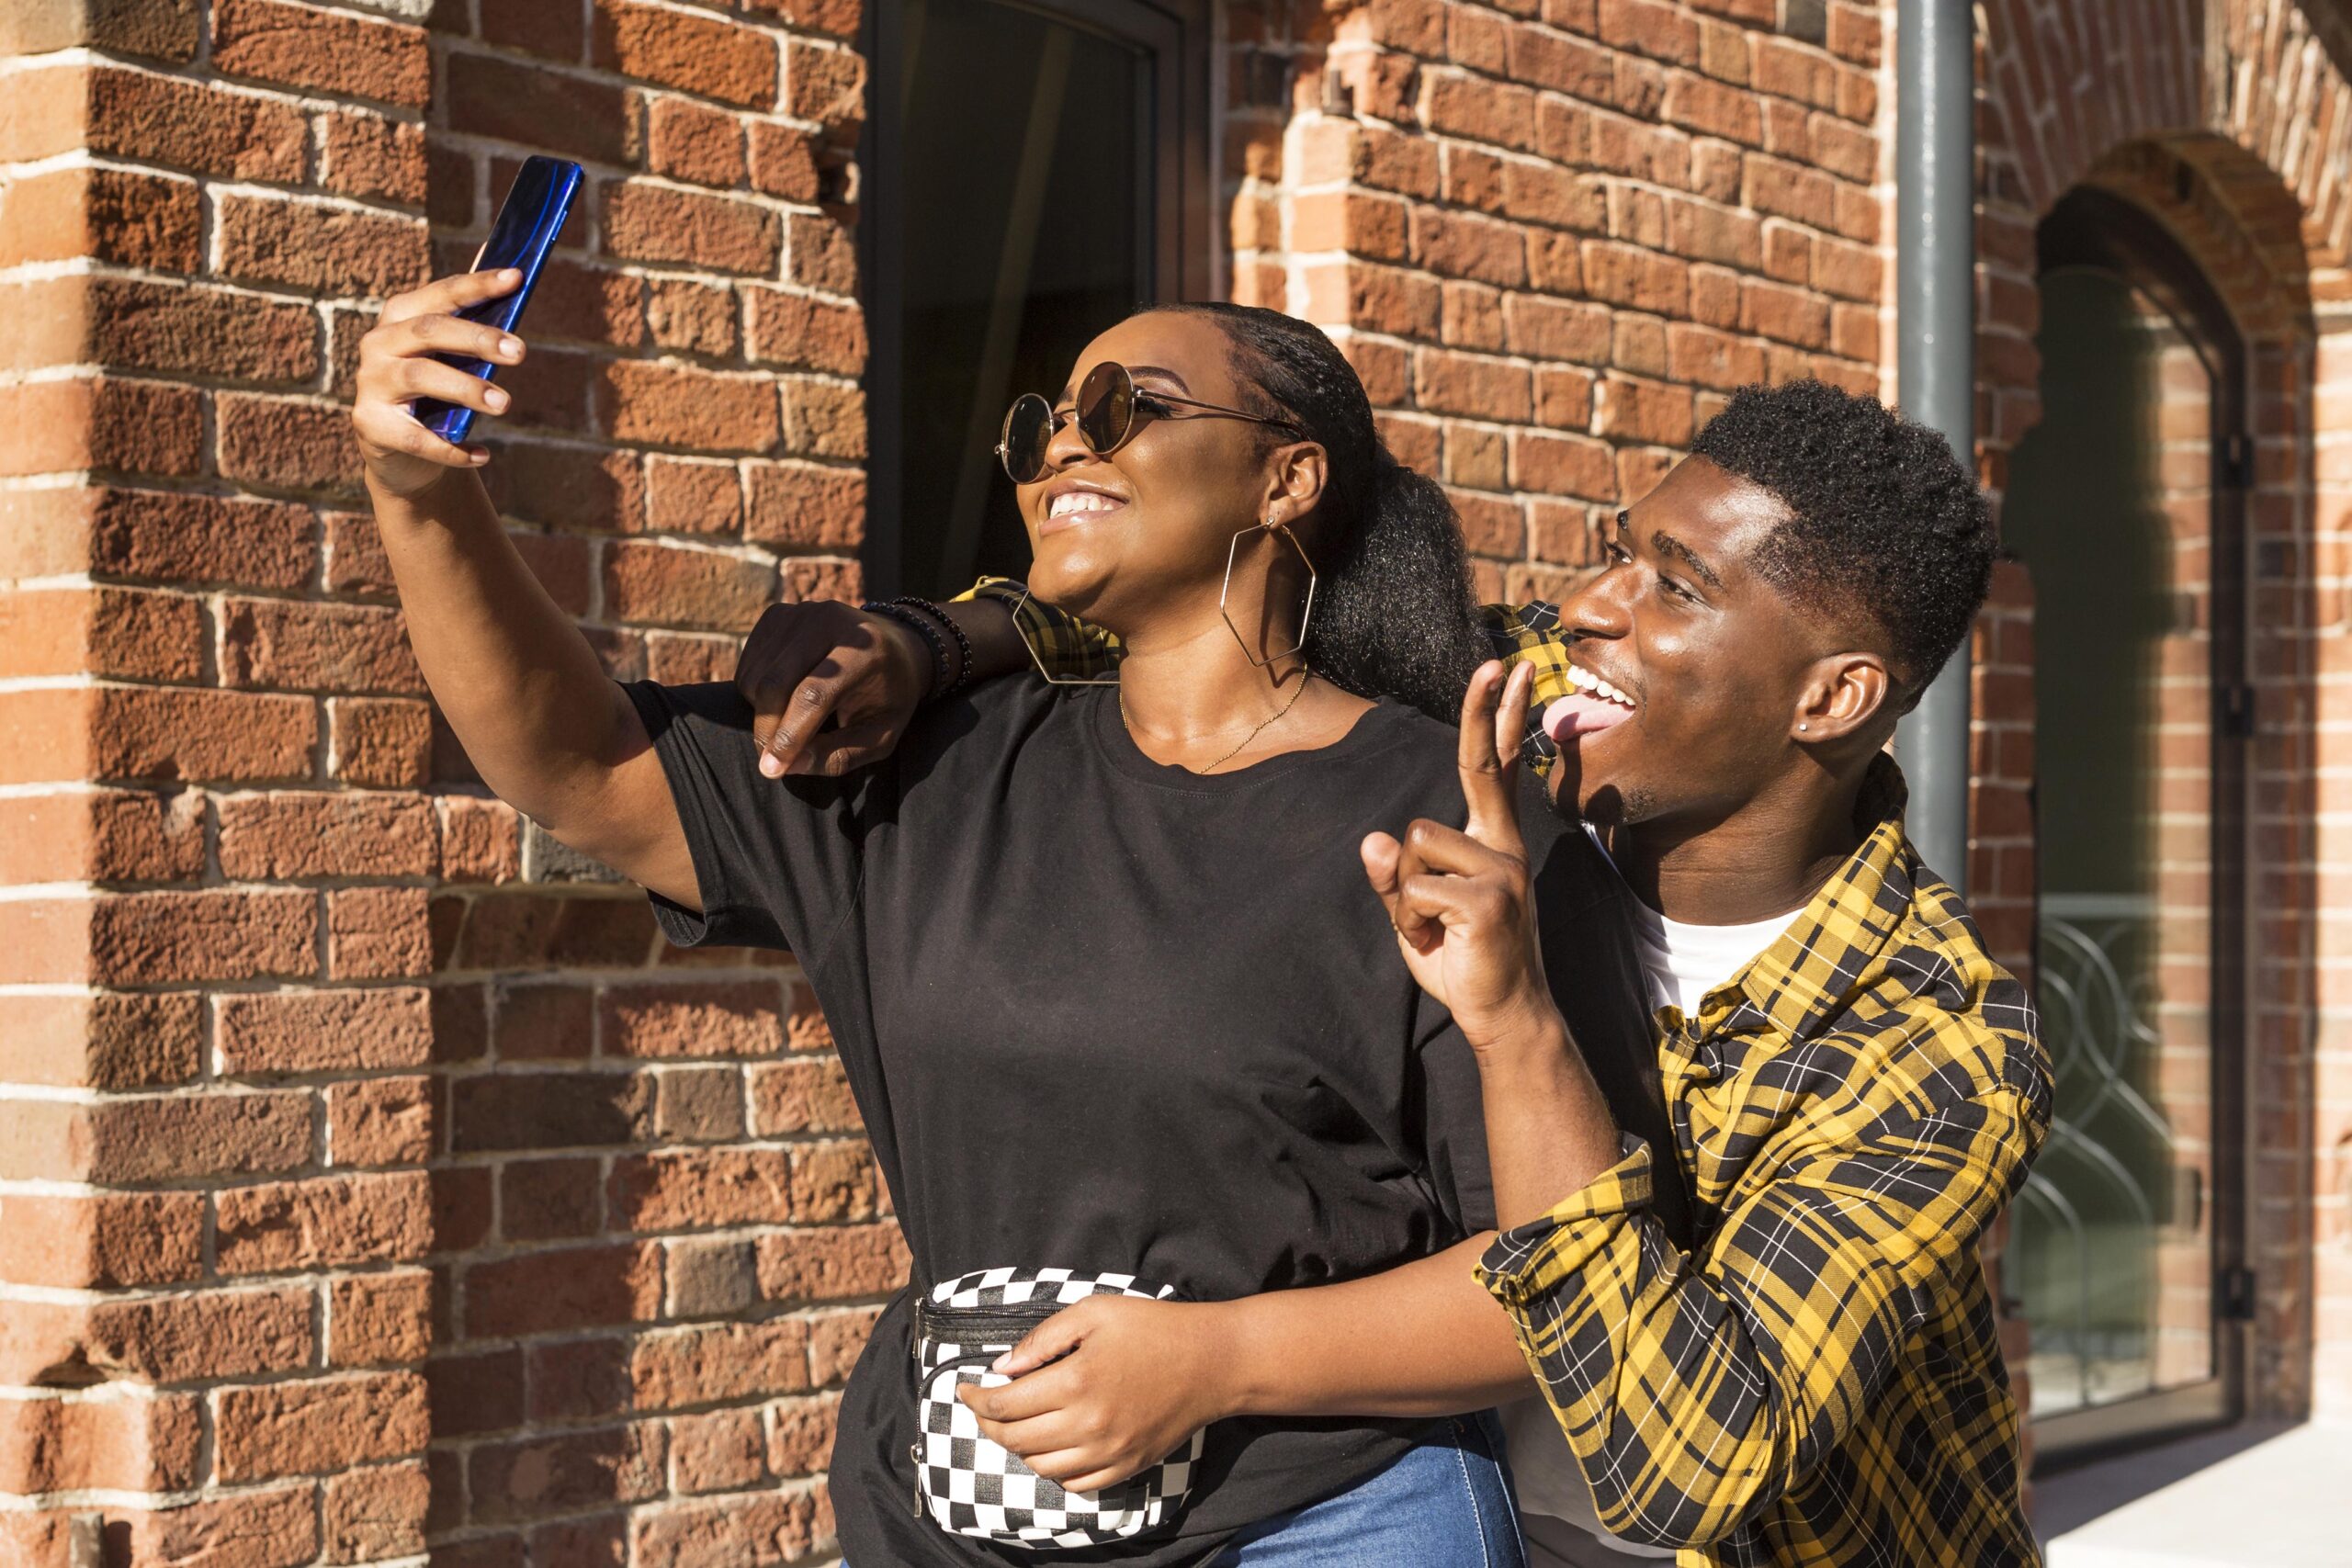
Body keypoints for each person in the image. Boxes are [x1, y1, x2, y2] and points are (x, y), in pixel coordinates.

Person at [352, 276, 1638, 1566]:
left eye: (1120, 408)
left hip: (1321, 1519)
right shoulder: (932, 768)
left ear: (1286, 481)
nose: (1063, 445)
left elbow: (1556, 1289)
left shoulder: (1441, 806)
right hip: (963, 1518)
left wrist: (1217, 1360)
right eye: (1040, 429)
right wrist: (420, 495)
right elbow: (579, 770)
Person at [753, 380, 2050, 1566]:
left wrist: (1517, 1021)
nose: (1593, 604)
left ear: (1831, 700)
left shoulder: (1936, 1049)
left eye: (1678, 586)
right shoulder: (1529, 704)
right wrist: (927, 643)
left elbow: (1685, 1466)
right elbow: (1214, 618)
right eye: (1618, 551)